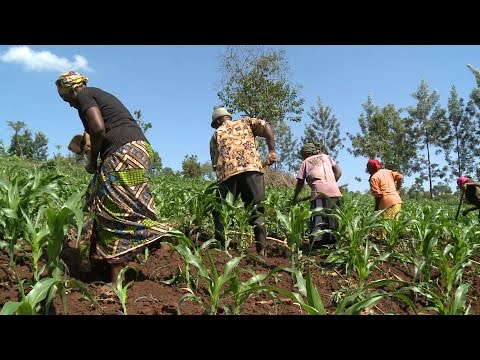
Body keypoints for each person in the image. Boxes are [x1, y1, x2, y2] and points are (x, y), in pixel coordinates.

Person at [55, 71, 170, 287]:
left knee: (113, 210)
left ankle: (158, 237)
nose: (68, 104)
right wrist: (86, 145)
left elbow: (99, 129)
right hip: (139, 152)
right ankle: (96, 260)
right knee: (100, 200)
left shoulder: (84, 95)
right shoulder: (98, 96)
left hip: (122, 154)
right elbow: (92, 133)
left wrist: (92, 160)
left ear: (72, 89)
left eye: (65, 98)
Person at [209, 107, 277, 256]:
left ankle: (221, 250)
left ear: (218, 121)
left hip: (228, 174)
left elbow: (215, 164)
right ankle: (261, 251)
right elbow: (266, 126)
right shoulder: (246, 122)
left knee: (220, 212)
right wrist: (272, 150)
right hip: (252, 170)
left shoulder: (216, 135)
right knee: (257, 209)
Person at [292, 142, 342, 247]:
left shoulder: (305, 162)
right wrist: (331, 183)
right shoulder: (326, 157)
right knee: (332, 218)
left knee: (318, 218)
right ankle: (333, 243)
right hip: (335, 192)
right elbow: (338, 172)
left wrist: (295, 197)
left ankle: (317, 244)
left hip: (318, 193)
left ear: (305, 154)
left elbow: (300, 183)